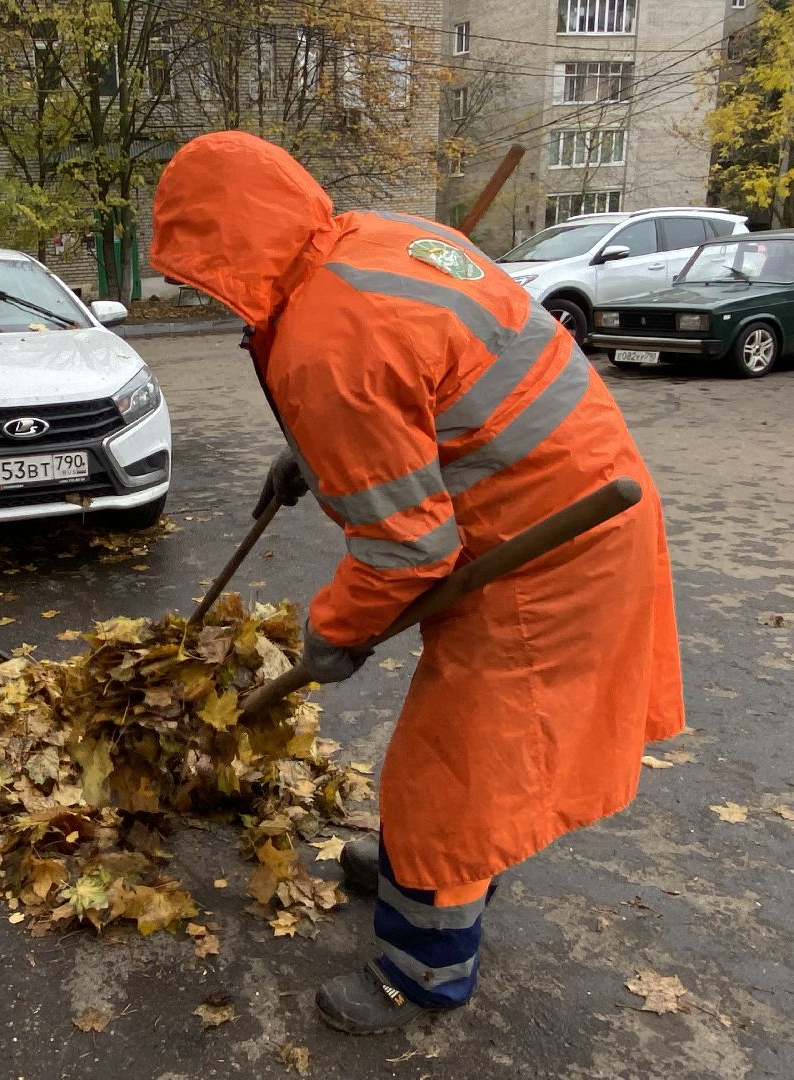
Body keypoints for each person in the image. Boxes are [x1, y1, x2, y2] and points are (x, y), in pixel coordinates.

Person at [151, 132, 684, 1034]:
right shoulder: (372, 236)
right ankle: (426, 867)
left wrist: (332, 635)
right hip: (560, 508)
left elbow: (406, 549)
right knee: (468, 768)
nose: (198, 286)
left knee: (453, 774)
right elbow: (413, 383)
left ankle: (421, 970)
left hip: (544, 556)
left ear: (229, 246)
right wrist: (314, 454)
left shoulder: (328, 347)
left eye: (199, 266)